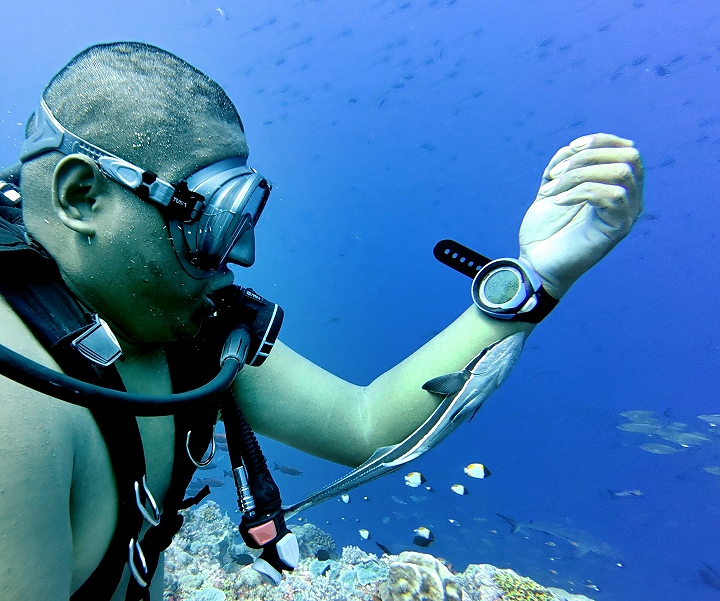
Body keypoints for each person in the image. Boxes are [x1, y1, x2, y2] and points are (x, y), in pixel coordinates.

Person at [0, 42, 643, 601]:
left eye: (244, 218)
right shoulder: (17, 405)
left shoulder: (181, 329)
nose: (242, 257)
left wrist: (539, 275)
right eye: (209, 224)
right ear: (82, 195)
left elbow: (365, 424)